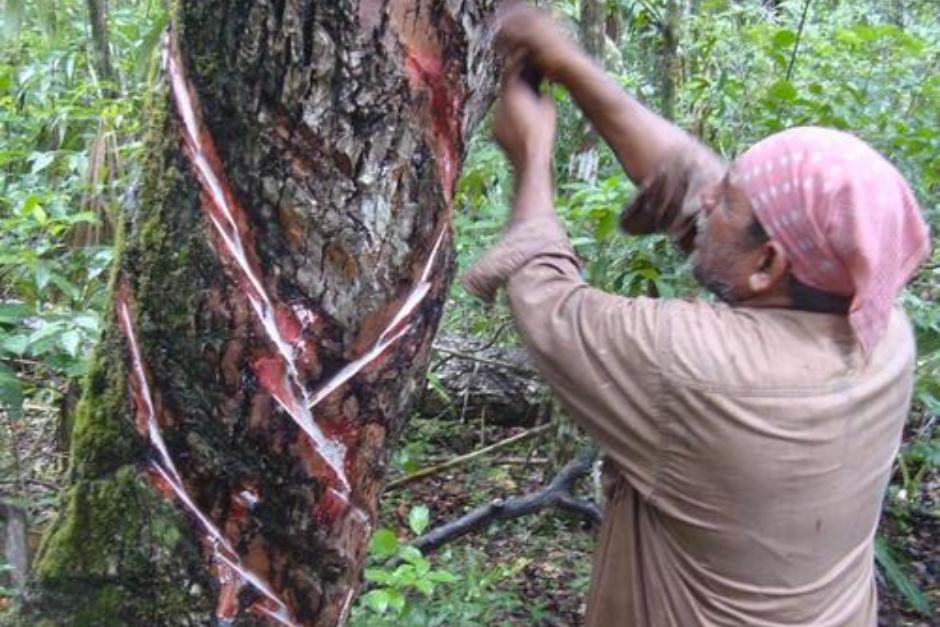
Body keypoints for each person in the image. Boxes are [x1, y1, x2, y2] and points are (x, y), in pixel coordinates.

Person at [462, 5, 931, 626]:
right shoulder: (881, 329)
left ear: (767, 266)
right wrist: (569, 64)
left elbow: (545, 296)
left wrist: (533, 156)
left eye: (728, 200)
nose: (709, 198)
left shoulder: (697, 371)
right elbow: (693, 184)